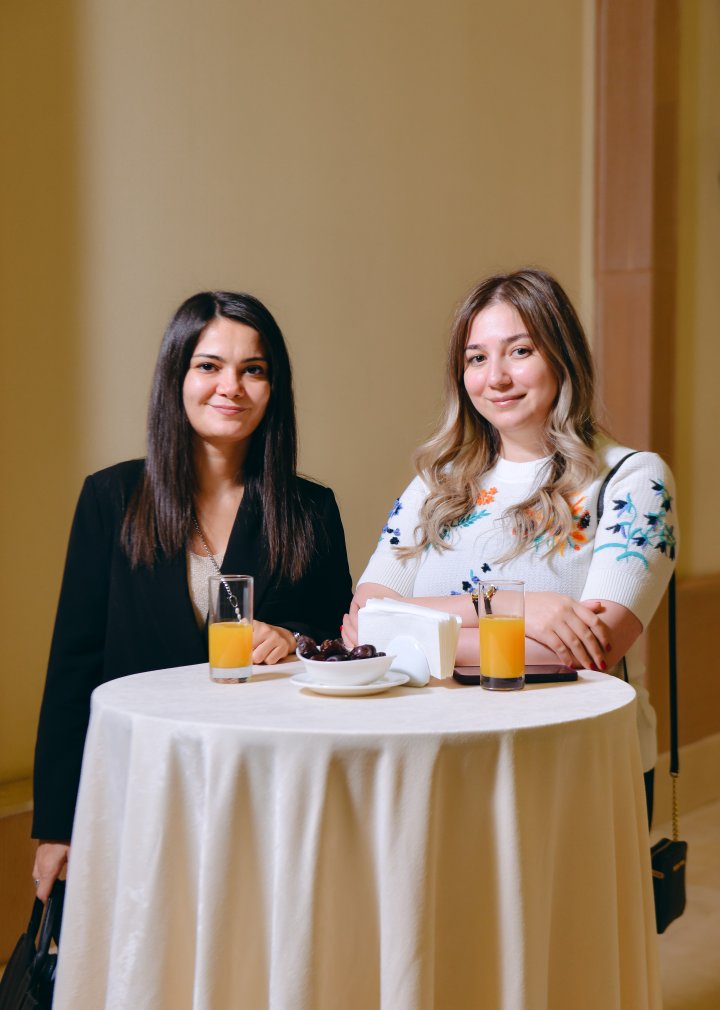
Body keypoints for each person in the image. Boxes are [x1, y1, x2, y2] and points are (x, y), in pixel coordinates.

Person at [32, 291, 352, 899]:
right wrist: (57, 823)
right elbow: (73, 667)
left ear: (273, 388)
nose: (230, 386)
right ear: (176, 377)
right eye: (209, 366)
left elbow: (342, 647)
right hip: (136, 790)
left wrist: (296, 639)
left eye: (252, 370)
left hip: (266, 798)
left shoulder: (311, 510)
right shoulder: (111, 499)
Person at [344, 268, 677, 822]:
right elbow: (364, 617)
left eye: (519, 351)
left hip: (571, 763)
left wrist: (408, 637)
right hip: (433, 754)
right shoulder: (437, 483)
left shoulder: (630, 479)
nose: (494, 376)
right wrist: (502, 610)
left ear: (562, 357)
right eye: (476, 358)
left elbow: (590, 653)